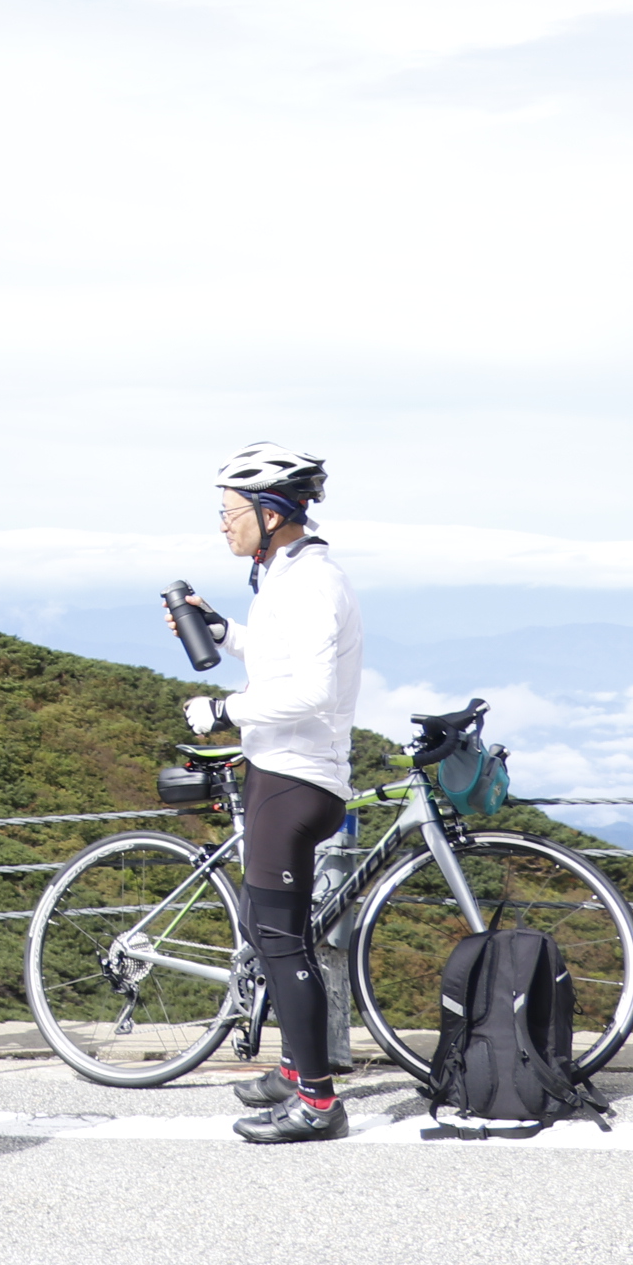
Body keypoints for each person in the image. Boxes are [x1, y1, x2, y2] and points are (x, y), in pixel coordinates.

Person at [168, 443, 363, 1145]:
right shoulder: (289, 573)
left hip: (296, 777)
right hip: (279, 770)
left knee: (281, 942)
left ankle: (317, 1103)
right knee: (265, 928)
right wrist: (225, 633)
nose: (223, 523)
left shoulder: (311, 582)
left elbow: (311, 692)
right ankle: (295, 1068)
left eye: (231, 511)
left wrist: (224, 710)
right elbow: (284, 655)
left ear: (271, 513)